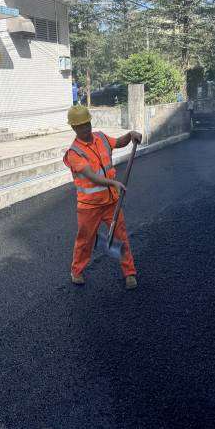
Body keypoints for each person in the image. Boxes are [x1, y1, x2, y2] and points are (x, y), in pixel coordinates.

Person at [63, 105, 141, 290]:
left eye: (87, 123)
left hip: (111, 201)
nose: (86, 128)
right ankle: (77, 270)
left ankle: (129, 272)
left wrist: (130, 136)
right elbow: (91, 175)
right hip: (89, 206)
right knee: (85, 239)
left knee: (121, 236)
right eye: (81, 126)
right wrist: (112, 183)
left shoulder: (100, 138)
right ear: (74, 128)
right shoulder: (75, 153)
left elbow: (118, 142)